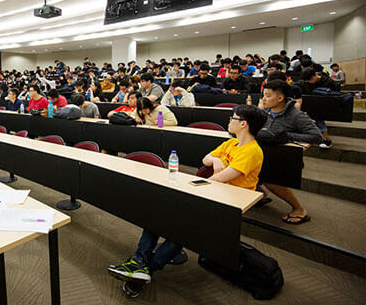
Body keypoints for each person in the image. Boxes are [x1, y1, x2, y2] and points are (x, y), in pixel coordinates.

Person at [108, 104, 267, 297]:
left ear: (243, 124)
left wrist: (209, 173)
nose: (229, 121)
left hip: (228, 203)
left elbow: (222, 177)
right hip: (211, 193)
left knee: (182, 230)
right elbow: (206, 159)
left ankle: (146, 269)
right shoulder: (231, 143)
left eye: (232, 118)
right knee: (156, 214)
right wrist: (216, 160)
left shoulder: (252, 151)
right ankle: (138, 262)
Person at [258, 79, 323, 224]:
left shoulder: (296, 115)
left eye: (267, 96)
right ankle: (260, 195)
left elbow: (317, 136)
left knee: (271, 181)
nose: (263, 99)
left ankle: (299, 209)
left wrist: (287, 135)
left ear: (280, 98)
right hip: (265, 153)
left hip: (285, 157)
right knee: (242, 167)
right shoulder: (265, 112)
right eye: (263, 95)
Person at [299, 67, 339, 148]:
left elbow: (335, 97)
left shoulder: (329, 82)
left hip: (324, 106)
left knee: (318, 117)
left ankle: (327, 139)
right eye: (306, 81)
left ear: (316, 74)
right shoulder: (305, 83)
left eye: (310, 80)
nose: (308, 82)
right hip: (311, 105)